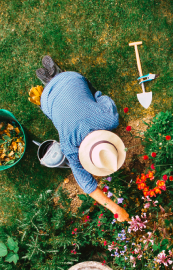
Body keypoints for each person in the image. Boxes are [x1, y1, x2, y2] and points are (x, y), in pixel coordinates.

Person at [36, 55, 130, 222]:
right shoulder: (69, 146)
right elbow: (85, 183)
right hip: (48, 99)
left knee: (82, 95)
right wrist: (114, 208)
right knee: (59, 110)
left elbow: (103, 99)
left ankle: (54, 77)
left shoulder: (109, 119)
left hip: (71, 79)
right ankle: (52, 79)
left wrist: (116, 208)